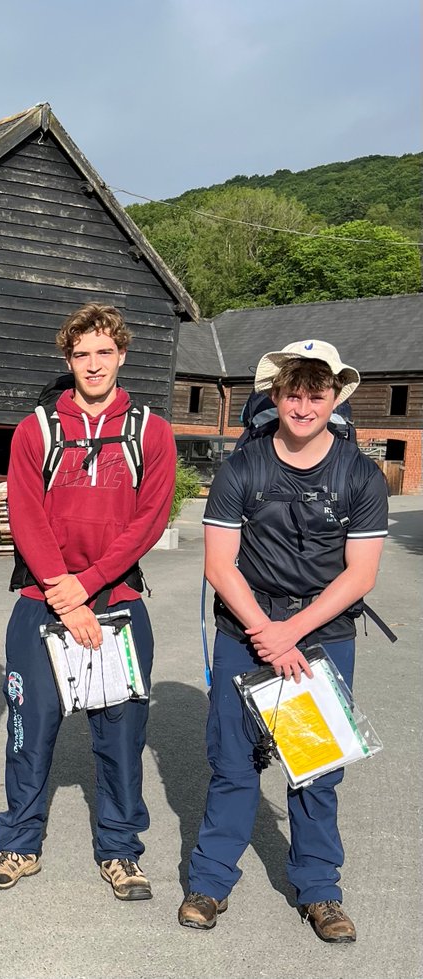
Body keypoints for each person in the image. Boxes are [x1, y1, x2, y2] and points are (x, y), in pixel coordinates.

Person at [178, 340, 387, 943]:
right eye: (293, 394)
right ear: (276, 395)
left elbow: (361, 575)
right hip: (246, 629)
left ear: (335, 398)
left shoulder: (360, 475)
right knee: (233, 764)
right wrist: (266, 633)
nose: (303, 406)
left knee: (315, 768)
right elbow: (220, 565)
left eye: (316, 394)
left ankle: (320, 891)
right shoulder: (242, 468)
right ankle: (210, 883)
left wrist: (289, 633)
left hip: (320, 635)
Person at [0, 303, 175, 898]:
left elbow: (149, 519)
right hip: (41, 598)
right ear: (68, 358)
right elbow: (26, 515)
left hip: (117, 602)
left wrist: (87, 587)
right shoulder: (36, 429)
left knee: (120, 735)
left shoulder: (151, 430)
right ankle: (19, 844)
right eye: (81, 354)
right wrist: (66, 595)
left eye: (104, 352)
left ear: (122, 355)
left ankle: (120, 851)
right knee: (29, 729)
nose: (93, 364)